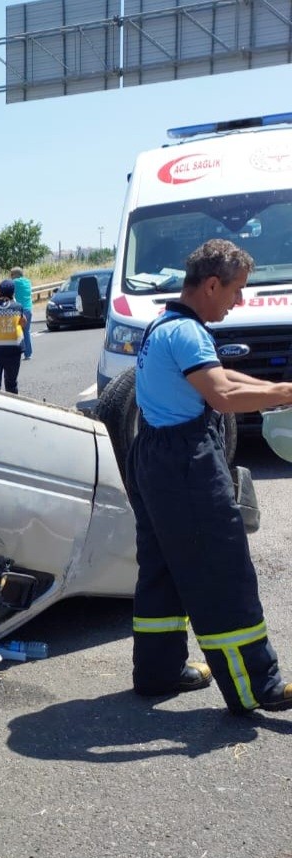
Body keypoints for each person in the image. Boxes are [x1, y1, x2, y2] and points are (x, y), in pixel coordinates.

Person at [128, 237, 292, 713]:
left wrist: (277, 390)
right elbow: (222, 396)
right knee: (221, 569)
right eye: (236, 290)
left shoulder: (165, 324)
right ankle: (256, 685)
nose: (238, 301)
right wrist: (284, 393)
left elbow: (221, 377)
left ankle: (157, 672)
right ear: (212, 284)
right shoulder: (188, 333)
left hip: (154, 457)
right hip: (185, 462)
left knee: (162, 568)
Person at [10, 266, 33, 360]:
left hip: (19, 311)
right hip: (29, 309)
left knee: (14, 332)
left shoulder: (15, 281)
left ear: (16, 275)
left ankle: (14, 353)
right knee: (26, 332)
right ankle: (28, 353)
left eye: (11, 274)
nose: (10, 276)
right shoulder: (28, 281)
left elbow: (4, 285)